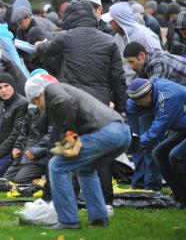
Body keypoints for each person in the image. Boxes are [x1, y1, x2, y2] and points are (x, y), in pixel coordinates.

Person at [24, 74, 131, 230]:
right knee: (85, 169)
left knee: (56, 165)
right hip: (122, 133)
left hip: (106, 133)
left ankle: (68, 220)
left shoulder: (52, 91)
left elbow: (65, 105)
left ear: (39, 94)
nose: (39, 107)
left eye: (35, 101)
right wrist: (67, 144)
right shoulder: (64, 89)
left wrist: (68, 142)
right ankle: (99, 218)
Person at [127, 78, 186, 207]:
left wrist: (131, 145)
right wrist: (134, 137)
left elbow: (155, 133)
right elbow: (131, 112)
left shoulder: (168, 98)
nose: (139, 105)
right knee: (159, 153)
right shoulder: (149, 92)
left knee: (177, 156)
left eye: (139, 101)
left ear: (148, 95)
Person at [101, 1, 162, 84]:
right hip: (125, 86)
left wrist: (149, 88)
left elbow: (160, 62)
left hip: (143, 88)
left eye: (111, 21)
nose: (109, 24)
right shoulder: (118, 37)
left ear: (119, 20)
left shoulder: (145, 35)